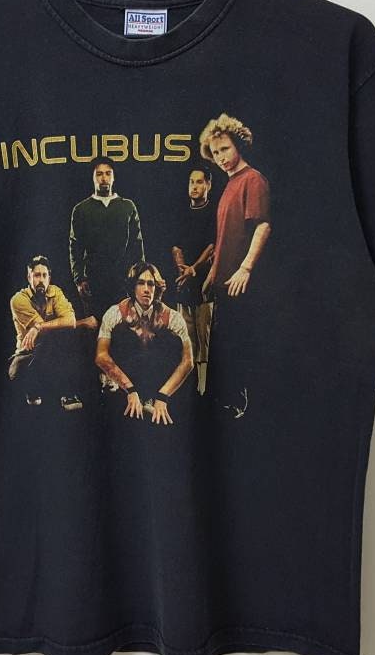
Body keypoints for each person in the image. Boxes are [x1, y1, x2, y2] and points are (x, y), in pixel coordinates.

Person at [199, 113, 271, 419]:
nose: (220, 157)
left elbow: (262, 225)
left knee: (238, 345)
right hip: (223, 281)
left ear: (239, 144)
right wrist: (211, 274)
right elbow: (224, 236)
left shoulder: (253, 180)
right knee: (223, 345)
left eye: (225, 149)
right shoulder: (229, 184)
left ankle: (242, 408)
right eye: (215, 153)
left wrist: (246, 268)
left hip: (240, 282)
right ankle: (225, 404)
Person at [95, 262, 193, 425]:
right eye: (141, 283)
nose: (146, 289)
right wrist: (130, 389)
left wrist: (163, 395)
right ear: (133, 287)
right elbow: (101, 356)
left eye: (151, 284)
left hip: (159, 384)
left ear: (157, 288)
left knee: (170, 337)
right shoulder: (114, 313)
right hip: (125, 384)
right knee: (122, 333)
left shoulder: (173, 317)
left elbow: (188, 361)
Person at [68, 161, 146, 325]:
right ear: (93, 178)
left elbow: (137, 245)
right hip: (93, 281)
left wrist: (140, 276)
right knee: (95, 327)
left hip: (123, 281)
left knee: (123, 327)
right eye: (99, 174)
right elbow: (75, 246)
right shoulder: (81, 209)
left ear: (113, 177)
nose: (104, 178)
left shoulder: (127, 206)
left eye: (108, 173)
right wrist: (79, 279)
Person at [7, 255, 85, 411]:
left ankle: (66, 393)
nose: (41, 280)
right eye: (37, 275)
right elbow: (48, 332)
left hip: (51, 354)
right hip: (27, 357)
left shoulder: (55, 292)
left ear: (49, 277)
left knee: (66, 335)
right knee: (55, 335)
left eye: (44, 275)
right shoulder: (18, 300)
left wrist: (38, 327)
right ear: (29, 277)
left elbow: (70, 321)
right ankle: (33, 389)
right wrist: (49, 325)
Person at [169, 167, 216, 395]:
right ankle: (187, 388)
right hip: (184, 285)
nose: (194, 187)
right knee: (186, 338)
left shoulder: (214, 212)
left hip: (205, 285)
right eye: (191, 182)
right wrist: (182, 269)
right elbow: (176, 246)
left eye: (199, 182)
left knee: (203, 338)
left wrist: (194, 269)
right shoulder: (181, 212)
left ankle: (203, 388)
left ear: (208, 185)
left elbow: (212, 246)